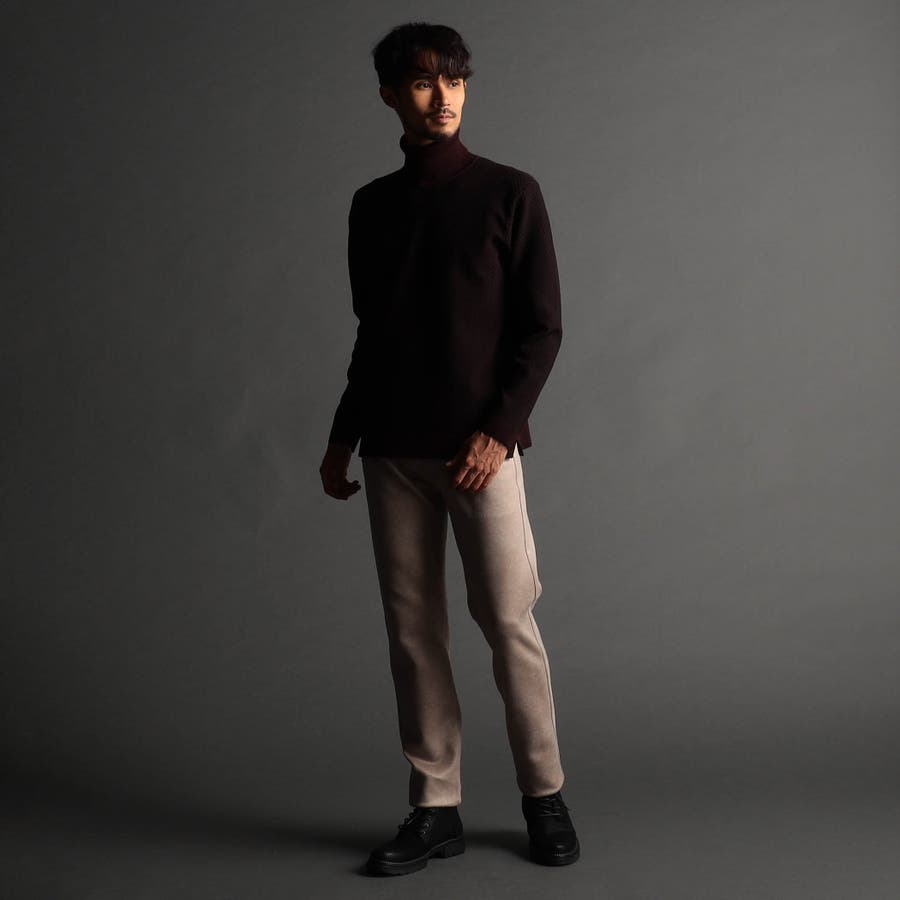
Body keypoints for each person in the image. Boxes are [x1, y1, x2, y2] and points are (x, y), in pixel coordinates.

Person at [319, 22, 579, 876]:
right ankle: (435, 808)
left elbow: (542, 330)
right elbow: (374, 333)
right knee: (413, 632)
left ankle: (544, 796)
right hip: (394, 451)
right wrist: (343, 436)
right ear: (390, 95)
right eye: (424, 82)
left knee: (508, 622)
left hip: (482, 453)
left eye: (455, 80)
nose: (443, 98)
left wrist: (498, 433)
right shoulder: (372, 206)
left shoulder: (510, 192)